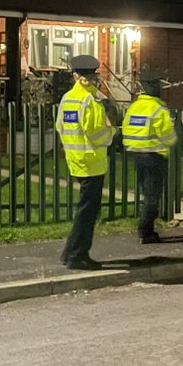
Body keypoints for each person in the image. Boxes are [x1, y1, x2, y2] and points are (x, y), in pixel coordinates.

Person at [55, 54, 114, 270]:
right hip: (92, 162)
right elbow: (97, 134)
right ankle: (77, 255)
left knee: (84, 209)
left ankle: (69, 252)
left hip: (75, 160)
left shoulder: (68, 98)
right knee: (87, 213)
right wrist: (112, 132)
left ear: (75, 75)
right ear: (93, 76)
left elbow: (60, 126)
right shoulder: (91, 101)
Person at [120, 69, 178, 244]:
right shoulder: (158, 109)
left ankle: (146, 229)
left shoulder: (134, 107)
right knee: (153, 196)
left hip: (137, 156)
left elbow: (126, 129)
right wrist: (173, 141)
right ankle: (145, 231)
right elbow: (168, 136)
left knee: (147, 194)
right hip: (154, 157)